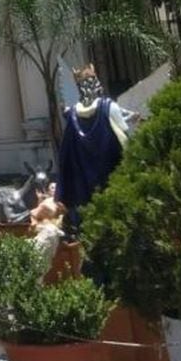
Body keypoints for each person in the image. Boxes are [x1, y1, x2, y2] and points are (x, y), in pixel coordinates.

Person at [56, 65, 133, 234]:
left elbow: (66, 154)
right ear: (97, 84)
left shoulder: (73, 115)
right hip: (110, 177)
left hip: (83, 185)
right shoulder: (108, 107)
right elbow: (126, 134)